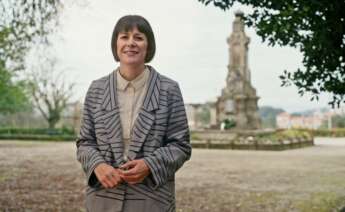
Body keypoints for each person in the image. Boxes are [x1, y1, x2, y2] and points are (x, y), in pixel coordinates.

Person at [76, 15, 192, 212]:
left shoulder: (169, 89)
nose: (131, 43)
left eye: (138, 37)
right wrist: (98, 166)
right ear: (116, 45)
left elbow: (181, 146)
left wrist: (150, 164)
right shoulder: (97, 89)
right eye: (124, 37)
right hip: (103, 198)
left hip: (152, 199)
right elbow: (85, 142)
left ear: (149, 46)